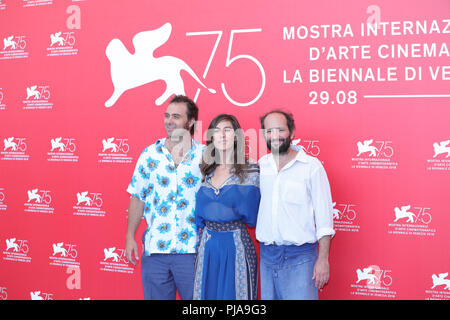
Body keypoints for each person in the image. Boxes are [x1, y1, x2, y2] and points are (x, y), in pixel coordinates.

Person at [125, 95, 204, 300]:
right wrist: (130, 237)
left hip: (192, 251)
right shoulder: (149, 154)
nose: (169, 120)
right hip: (155, 251)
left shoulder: (205, 156)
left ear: (191, 121)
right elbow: (137, 197)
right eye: (167, 115)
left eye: (176, 116)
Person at [256, 109, 335, 300]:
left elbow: (325, 219)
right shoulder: (260, 166)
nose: (275, 136)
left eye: (280, 130)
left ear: (291, 133)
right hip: (267, 257)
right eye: (269, 131)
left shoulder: (311, 166)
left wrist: (323, 260)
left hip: (300, 259)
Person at [193, 114, 260, 300]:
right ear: (211, 138)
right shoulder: (205, 170)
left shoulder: (251, 169)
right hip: (207, 246)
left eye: (227, 130)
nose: (222, 135)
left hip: (236, 245)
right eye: (217, 131)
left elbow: (254, 214)